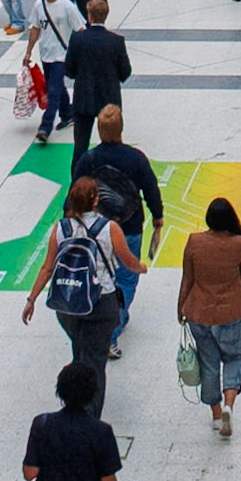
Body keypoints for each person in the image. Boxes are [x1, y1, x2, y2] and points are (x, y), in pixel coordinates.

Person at [22, 177, 147, 423]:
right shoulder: (109, 228)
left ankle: (73, 398)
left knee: (81, 352)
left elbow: (47, 268)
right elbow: (128, 261)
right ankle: (86, 417)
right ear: (96, 200)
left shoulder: (61, 229)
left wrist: (32, 299)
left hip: (67, 304)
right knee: (95, 362)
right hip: (101, 302)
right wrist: (141, 267)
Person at [72, 106, 164, 359]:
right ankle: (111, 332)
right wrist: (158, 216)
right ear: (121, 128)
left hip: (96, 230)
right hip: (130, 227)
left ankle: (100, 324)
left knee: (101, 277)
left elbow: (75, 192)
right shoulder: (136, 158)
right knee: (126, 279)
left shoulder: (88, 159)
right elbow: (151, 189)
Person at [177, 197, 241, 437]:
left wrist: (181, 307)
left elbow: (187, 278)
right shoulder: (238, 243)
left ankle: (215, 413)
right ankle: (229, 405)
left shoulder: (194, 242)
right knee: (233, 357)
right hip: (230, 311)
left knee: (208, 363)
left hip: (199, 311)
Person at [62, 0, 131, 165]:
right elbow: (125, 72)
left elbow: (69, 70)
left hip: (83, 99)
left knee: (80, 146)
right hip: (109, 103)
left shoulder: (77, 39)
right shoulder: (116, 41)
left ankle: (77, 185)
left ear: (89, 16)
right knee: (112, 144)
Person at [25, 0, 85, 147]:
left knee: (52, 92)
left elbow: (80, 30)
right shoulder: (39, 5)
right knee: (56, 87)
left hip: (62, 57)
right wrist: (28, 51)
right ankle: (67, 113)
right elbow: (35, 28)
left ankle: (45, 127)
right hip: (46, 55)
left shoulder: (68, 7)